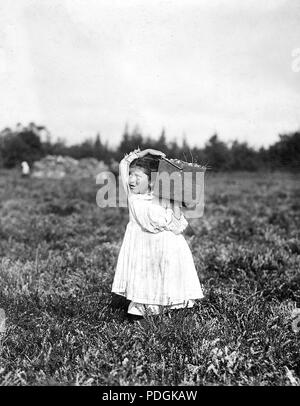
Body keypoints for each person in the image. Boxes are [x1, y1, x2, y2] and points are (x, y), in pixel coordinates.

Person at [111, 148, 204, 319]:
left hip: (167, 248)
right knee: (146, 281)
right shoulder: (133, 197)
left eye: (138, 177)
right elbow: (124, 164)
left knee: (167, 278)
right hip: (144, 248)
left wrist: (176, 201)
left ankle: (173, 308)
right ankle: (143, 312)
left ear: (151, 181)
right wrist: (143, 152)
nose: (132, 179)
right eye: (131, 175)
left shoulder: (163, 198)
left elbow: (177, 227)